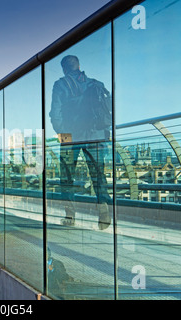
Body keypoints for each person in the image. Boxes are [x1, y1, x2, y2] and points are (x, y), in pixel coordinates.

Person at [49, 55, 112, 230]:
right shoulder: (95, 84)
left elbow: (55, 114)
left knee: (67, 176)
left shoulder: (61, 85)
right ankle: (103, 210)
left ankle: (70, 215)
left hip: (72, 137)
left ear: (64, 69)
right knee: (98, 174)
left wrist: (64, 136)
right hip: (96, 136)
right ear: (79, 66)